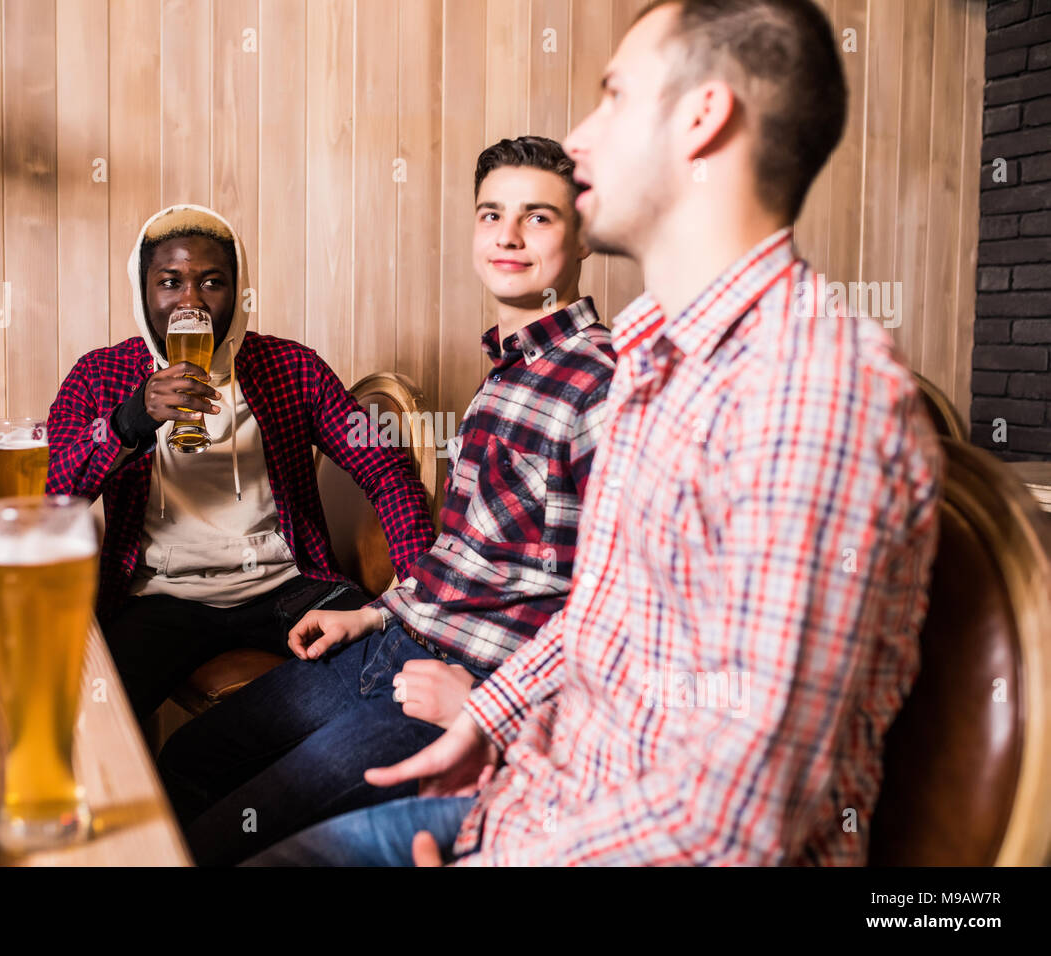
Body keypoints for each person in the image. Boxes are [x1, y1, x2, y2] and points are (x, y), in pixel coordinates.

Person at [246, 0, 943, 867]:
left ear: (702, 117)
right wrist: (488, 720)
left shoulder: (804, 393)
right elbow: (600, 616)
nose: (579, 139)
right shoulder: (664, 360)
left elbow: (731, 822)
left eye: (613, 95)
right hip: (526, 795)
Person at [156, 137, 617, 866]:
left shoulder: (602, 386)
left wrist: (491, 706)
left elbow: (617, 608)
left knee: (226, 837)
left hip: (463, 683)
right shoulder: (507, 374)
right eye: (491, 213)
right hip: (388, 643)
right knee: (182, 763)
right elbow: (467, 558)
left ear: (585, 232)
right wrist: (371, 612)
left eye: (539, 218)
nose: (507, 234)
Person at [45, 203, 436, 726]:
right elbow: (49, 497)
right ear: (144, 294)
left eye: (212, 282)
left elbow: (386, 470)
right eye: (170, 282)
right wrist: (130, 420)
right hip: (159, 599)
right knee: (89, 715)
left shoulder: (291, 367)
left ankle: (281, 786)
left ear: (238, 290)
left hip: (286, 586)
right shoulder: (102, 375)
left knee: (401, 669)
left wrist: (421, 596)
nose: (191, 303)